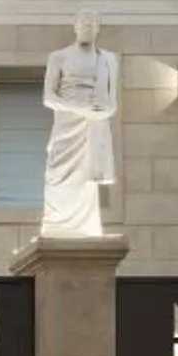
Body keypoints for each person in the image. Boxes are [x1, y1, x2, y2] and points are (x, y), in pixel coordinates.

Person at [39, 13, 120, 238]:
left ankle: (86, 227)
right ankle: (56, 223)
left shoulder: (108, 59)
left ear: (97, 29)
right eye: (83, 24)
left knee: (86, 177)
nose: (87, 27)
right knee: (57, 171)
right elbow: (48, 97)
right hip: (66, 121)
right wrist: (79, 110)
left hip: (94, 122)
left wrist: (95, 113)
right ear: (75, 27)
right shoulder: (59, 57)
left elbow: (111, 104)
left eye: (91, 24)